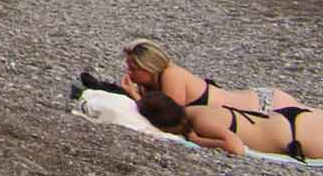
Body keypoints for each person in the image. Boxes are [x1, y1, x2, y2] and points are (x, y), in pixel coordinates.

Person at [105, 39, 309, 116]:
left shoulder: (171, 75)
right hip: (254, 103)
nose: (129, 73)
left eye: (133, 68)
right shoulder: (154, 82)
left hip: (265, 104)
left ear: (148, 66)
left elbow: (170, 116)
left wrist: (136, 96)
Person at [137, 90, 322, 160]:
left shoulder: (202, 123)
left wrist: (198, 141)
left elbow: (236, 148)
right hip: (294, 118)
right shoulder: (197, 109)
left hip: (296, 137)